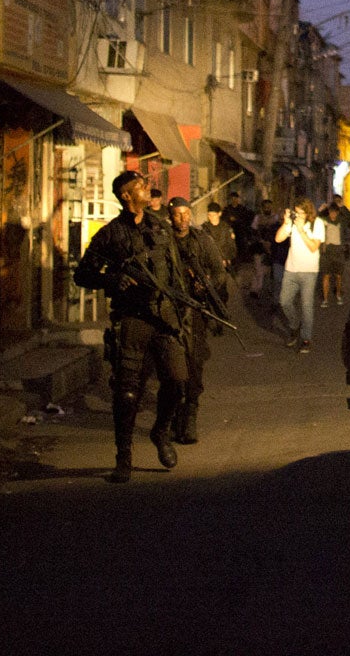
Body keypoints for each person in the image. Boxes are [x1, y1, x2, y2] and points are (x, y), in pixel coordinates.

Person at [74, 172, 193, 484]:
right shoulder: (110, 235)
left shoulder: (160, 226)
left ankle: (160, 432)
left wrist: (183, 310)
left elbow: (177, 271)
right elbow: (83, 274)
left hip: (164, 317)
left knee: (178, 382)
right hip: (132, 319)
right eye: (139, 186)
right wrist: (113, 279)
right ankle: (123, 456)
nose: (146, 189)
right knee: (127, 393)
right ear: (126, 196)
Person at [164, 197, 233, 445]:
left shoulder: (201, 240)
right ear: (170, 216)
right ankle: (172, 419)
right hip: (167, 312)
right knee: (169, 370)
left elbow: (219, 273)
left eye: (186, 214)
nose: (182, 219)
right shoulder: (163, 241)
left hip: (194, 313)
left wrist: (204, 286)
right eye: (177, 214)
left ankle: (190, 415)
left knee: (193, 366)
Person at [274, 200, 326, 352]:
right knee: (284, 301)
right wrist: (286, 223)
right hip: (291, 269)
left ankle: (306, 339)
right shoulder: (293, 222)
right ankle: (294, 324)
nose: (298, 215)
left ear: (308, 212)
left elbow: (313, 247)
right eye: (296, 212)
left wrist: (301, 230)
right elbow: (278, 239)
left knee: (306, 306)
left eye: (301, 212)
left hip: (309, 271)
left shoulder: (317, 223)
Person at [318, 199, 350, 307]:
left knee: (338, 276)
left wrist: (342, 207)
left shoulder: (341, 221)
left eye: (335, 212)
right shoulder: (325, 220)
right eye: (331, 212)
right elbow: (315, 221)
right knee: (325, 276)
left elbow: (349, 218)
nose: (332, 214)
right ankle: (325, 299)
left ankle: (338, 295)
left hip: (339, 252)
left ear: (337, 212)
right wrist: (320, 210)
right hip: (327, 252)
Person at [203, 200, 237, 272]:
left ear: (219, 214)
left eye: (214, 215)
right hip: (209, 264)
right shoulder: (204, 229)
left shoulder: (226, 228)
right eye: (209, 215)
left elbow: (231, 246)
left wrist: (226, 258)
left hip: (224, 264)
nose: (211, 217)